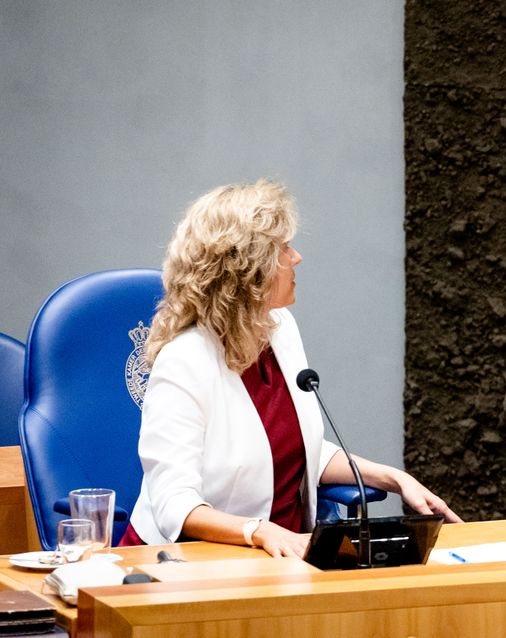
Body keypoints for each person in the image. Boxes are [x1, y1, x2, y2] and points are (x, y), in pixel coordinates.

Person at [122, 179, 461, 557]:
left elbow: (300, 452)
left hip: (283, 556)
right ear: (247, 269)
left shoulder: (278, 328)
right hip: (184, 565)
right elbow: (176, 505)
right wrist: (260, 532)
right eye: (283, 249)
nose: (296, 257)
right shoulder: (184, 362)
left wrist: (395, 478)